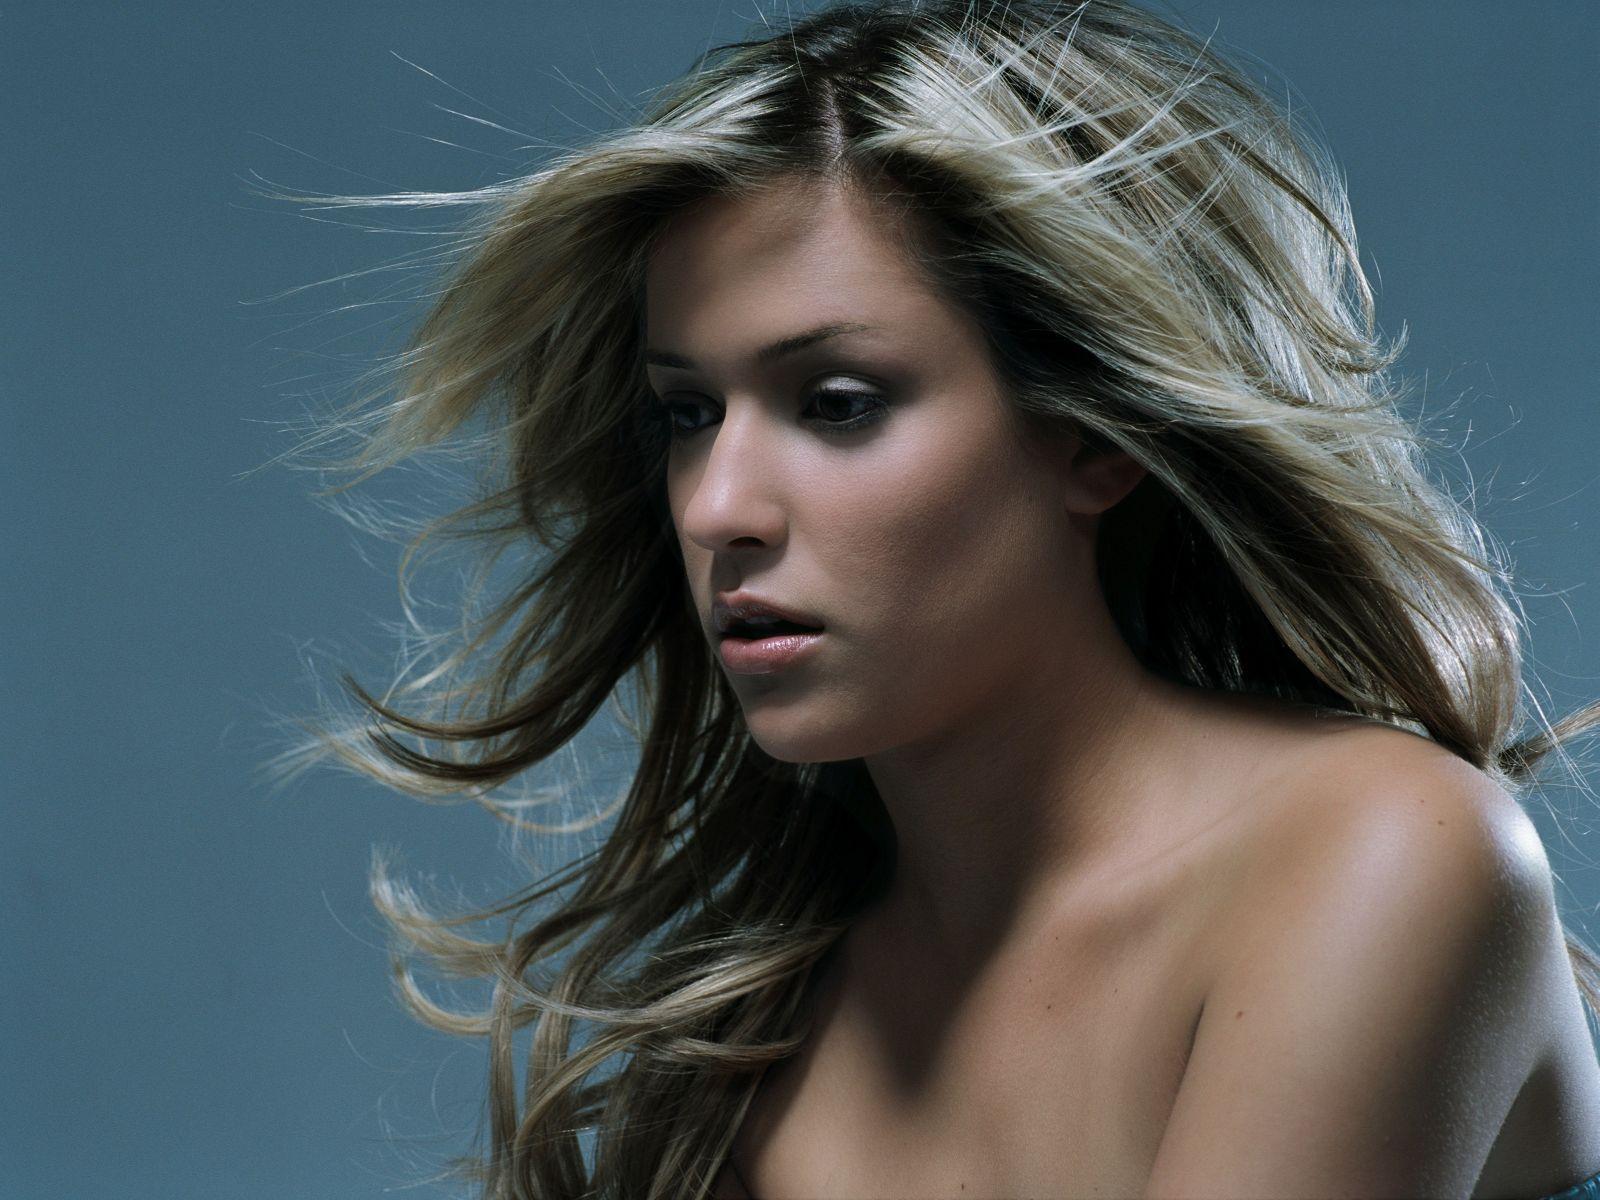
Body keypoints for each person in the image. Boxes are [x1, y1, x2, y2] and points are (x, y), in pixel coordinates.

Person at [269, 1, 1600, 1196]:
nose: (716, 506)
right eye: (688, 411)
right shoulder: (761, 1037)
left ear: (1094, 436)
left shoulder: (1385, 857)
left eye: (837, 403)